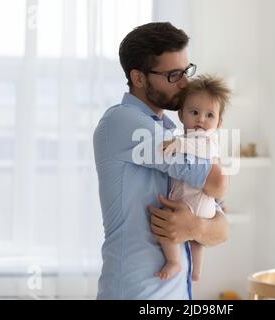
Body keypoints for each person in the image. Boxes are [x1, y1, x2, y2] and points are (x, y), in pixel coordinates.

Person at [93, 22, 229, 299]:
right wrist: (201, 227)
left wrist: (196, 227)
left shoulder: (172, 130)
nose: (185, 83)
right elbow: (216, 181)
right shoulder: (123, 122)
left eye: (186, 70)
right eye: (174, 75)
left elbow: (222, 227)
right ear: (139, 78)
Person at [156, 75, 231, 282]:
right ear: (181, 115)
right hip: (200, 204)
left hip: (192, 203)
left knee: (165, 220)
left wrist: (177, 144)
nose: (201, 120)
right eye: (194, 112)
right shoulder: (186, 138)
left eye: (209, 115)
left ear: (219, 122)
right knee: (197, 241)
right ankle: (196, 271)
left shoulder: (207, 140)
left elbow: (200, 149)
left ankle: (174, 261)